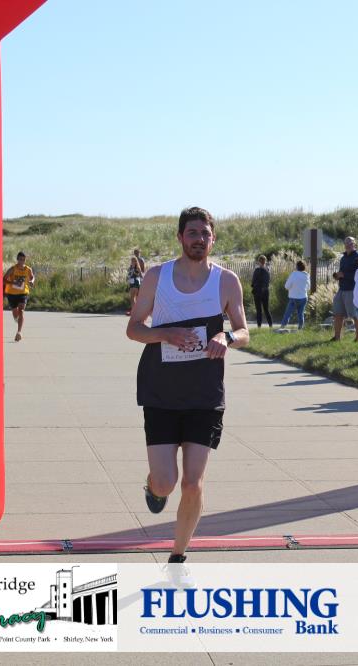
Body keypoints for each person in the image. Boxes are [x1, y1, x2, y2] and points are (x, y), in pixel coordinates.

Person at [126, 206, 248, 565]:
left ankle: (178, 555)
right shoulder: (157, 277)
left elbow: (244, 330)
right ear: (180, 237)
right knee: (166, 482)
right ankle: (153, 484)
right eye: (192, 233)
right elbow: (134, 328)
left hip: (204, 394)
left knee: (193, 483)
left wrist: (227, 337)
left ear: (213, 239)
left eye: (205, 233)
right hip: (161, 391)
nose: (199, 239)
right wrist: (165, 334)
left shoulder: (226, 281)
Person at [330, 237, 358, 341]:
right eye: (346, 243)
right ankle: (337, 337)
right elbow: (342, 272)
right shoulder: (343, 258)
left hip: (352, 289)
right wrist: (338, 276)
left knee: (355, 315)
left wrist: (344, 275)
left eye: (350, 243)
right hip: (342, 289)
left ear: (354, 244)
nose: (348, 245)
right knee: (337, 313)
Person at [3, 251, 35, 342]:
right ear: (17, 259)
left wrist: (32, 281)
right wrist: (13, 282)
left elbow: (32, 277)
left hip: (23, 293)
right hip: (12, 294)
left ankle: (19, 332)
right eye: (20, 259)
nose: (22, 261)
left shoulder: (28, 269)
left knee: (21, 311)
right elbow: (4, 279)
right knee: (15, 314)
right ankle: (18, 319)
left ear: (25, 260)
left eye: (23, 260)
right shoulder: (12, 269)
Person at [279, 260, 310, 329]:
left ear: (297, 267)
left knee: (288, 313)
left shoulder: (294, 274)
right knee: (300, 313)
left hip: (294, 297)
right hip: (303, 297)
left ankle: (283, 326)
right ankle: (300, 327)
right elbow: (308, 287)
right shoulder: (307, 275)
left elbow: (286, 286)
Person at [250, 254, 272, 328]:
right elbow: (268, 281)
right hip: (265, 291)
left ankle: (259, 326)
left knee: (258, 310)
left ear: (259, 261)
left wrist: (254, 286)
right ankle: (270, 325)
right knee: (266, 309)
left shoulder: (256, 270)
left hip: (257, 291)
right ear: (265, 261)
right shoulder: (267, 270)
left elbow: (253, 282)